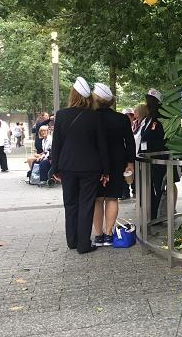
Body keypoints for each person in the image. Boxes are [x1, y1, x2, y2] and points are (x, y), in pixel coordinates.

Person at [51, 77, 110, 254]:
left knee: (70, 204)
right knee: (86, 204)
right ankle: (84, 244)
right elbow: (102, 145)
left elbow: (56, 144)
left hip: (67, 167)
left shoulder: (61, 115)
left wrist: (55, 169)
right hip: (90, 168)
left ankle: (72, 241)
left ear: (73, 94)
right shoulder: (94, 117)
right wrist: (106, 170)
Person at [92, 83, 135, 247]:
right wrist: (130, 162)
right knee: (112, 197)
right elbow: (129, 142)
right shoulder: (121, 118)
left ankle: (98, 235)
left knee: (97, 199)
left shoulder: (90, 117)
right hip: (117, 162)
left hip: (95, 162)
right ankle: (109, 234)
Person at [138, 89, 170, 220]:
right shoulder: (148, 119)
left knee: (158, 188)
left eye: (148, 101)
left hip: (158, 160)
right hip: (148, 160)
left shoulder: (161, 119)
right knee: (150, 188)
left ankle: (156, 216)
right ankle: (151, 214)